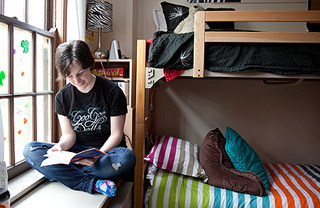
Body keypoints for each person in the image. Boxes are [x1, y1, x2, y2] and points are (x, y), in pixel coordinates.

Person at [23, 40, 136, 197]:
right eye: (69, 76)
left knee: (127, 158)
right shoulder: (62, 97)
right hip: (76, 154)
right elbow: (69, 135)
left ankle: (63, 174)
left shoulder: (113, 92)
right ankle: (94, 183)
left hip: (105, 153)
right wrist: (60, 147)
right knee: (30, 150)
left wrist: (99, 153)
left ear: (89, 65)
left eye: (80, 73)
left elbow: (116, 134)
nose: (76, 81)